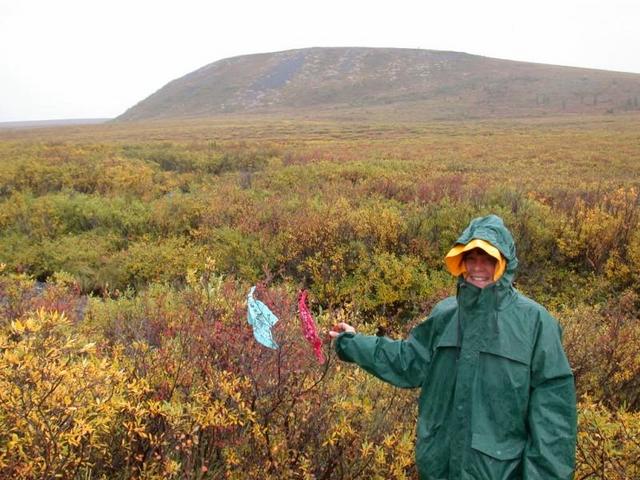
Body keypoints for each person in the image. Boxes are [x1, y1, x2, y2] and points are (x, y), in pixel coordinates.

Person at [329, 214, 576, 480]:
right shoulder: (446, 313)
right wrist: (353, 344)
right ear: (461, 261)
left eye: (488, 259)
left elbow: (553, 425)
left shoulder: (536, 323)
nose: (478, 267)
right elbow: (408, 361)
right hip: (439, 470)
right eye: (472, 258)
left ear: (503, 263)